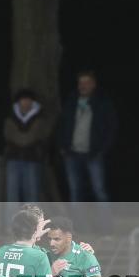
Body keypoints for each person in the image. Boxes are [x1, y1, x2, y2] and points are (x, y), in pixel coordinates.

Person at [57, 70, 117, 203]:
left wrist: (102, 149)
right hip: (71, 153)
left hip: (93, 153)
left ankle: (105, 223)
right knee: (75, 191)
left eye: (86, 82)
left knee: (99, 190)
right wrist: (62, 146)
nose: (83, 86)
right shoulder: (71, 101)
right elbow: (61, 124)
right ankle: (79, 223)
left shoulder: (102, 102)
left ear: (93, 84)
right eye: (80, 83)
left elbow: (111, 128)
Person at [4, 89, 51, 206]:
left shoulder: (40, 119)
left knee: (32, 196)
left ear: (32, 102)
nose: (25, 103)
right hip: (13, 159)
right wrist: (25, 138)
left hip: (32, 159)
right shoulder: (10, 118)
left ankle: (31, 223)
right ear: (18, 102)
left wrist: (21, 138)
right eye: (23, 100)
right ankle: (12, 223)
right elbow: (9, 135)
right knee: (12, 196)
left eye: (28, 100)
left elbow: (32, 136)